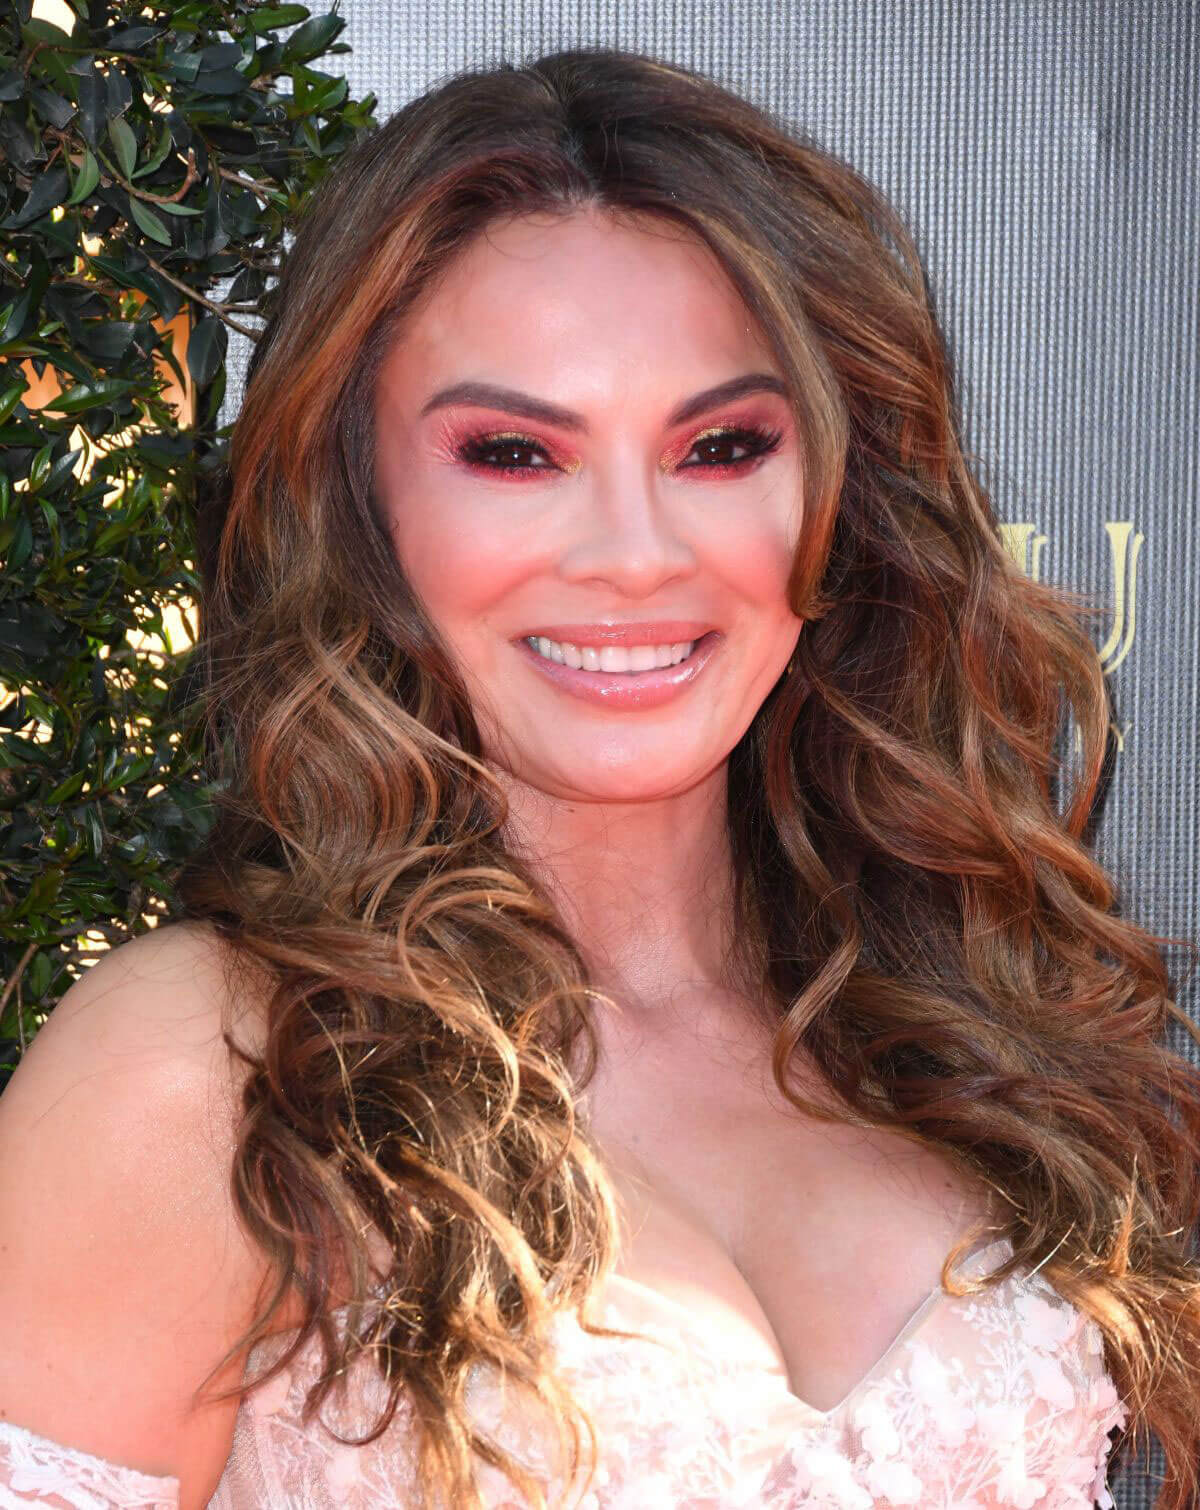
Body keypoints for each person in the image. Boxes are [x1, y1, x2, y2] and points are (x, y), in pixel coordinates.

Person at [2, 45, 1198, 1510]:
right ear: (362, 503)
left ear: (837, 493)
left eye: (721, 446)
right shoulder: (214, 1071)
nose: (634, 554)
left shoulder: (941, 1025)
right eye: (515, 452)